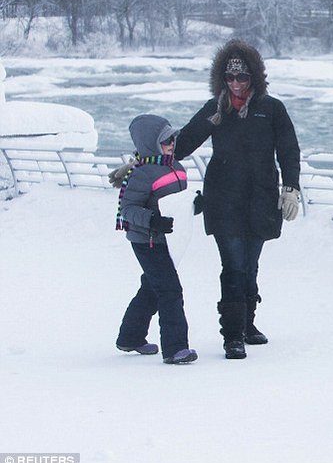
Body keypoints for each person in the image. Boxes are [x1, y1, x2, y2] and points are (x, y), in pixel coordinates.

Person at [175, 39, 301, 360]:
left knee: (251, 264)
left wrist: (292, 188)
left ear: (254, 78)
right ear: (222, 78)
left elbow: (289, 150)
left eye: (242, 77)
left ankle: (248, 324)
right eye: (230, 78)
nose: (235, 83)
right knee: (233, 265)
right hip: (224, 199)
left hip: (260, 200)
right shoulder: (216, 110)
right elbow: (183, 142)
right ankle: (232, 336)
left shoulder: (271, 109)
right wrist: (142, 161)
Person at [114, 114, 197, 365]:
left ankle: (130, 337)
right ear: (150, 142)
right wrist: (152, 220)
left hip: (169, 240)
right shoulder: (141, 174)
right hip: (147, 241)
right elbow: (128, 209)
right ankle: (175, 348)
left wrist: (196, 205)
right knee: (170, 290)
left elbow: (178, 203)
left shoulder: (177, 167)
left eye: (173, 138)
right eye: (165, 140)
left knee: (152, 287)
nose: (172, 144)